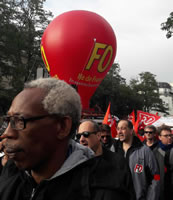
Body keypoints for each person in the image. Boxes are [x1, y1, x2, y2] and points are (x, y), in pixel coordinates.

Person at [0, 77, 135, 200]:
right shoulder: (10, 173)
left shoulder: (106, 190)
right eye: (8, 120)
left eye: (19, 121)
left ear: (63, 126)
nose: (6, 133)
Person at [77, 119, 136, 199]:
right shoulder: (75, 164)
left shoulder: (118, 162)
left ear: (98, 136)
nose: (81, 139)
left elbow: (130, 195)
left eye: (86, 134)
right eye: (79, 136)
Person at [116, 119, 160, 200]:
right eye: (118, 129)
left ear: (131, 131)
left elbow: (155, 178)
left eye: (123, 128)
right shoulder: (113, 150)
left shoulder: (145, 151)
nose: (119, 132)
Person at [153, 125, 173, 200]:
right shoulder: (155, 152)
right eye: (166, 136)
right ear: (160, 137)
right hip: (161, 188)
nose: (169, 137)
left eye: (170, 135)